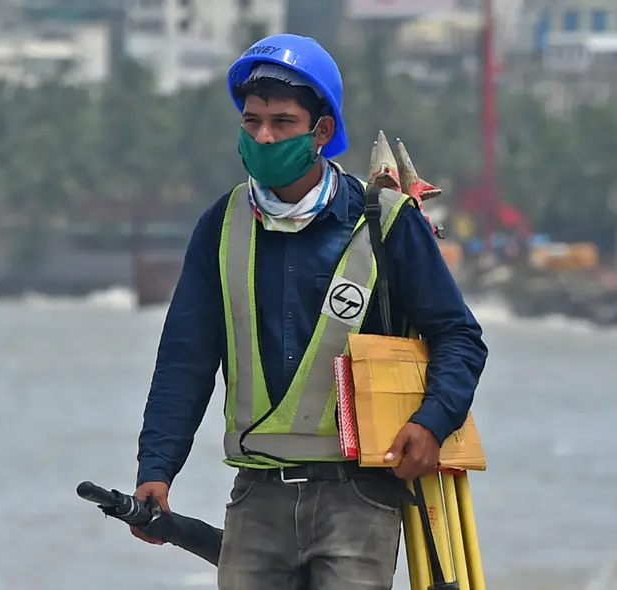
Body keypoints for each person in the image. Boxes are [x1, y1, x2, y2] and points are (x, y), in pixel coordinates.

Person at [130, 33, 489, 590]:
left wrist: (431, 422)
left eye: (282, 122)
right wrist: (157, 468)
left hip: (361, 496)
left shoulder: (386, 222)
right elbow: (185, 360)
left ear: (321, 131)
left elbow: (459, 336)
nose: (264, 137)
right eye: (252, 123)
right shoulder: (219, 228)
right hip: (257, 497)